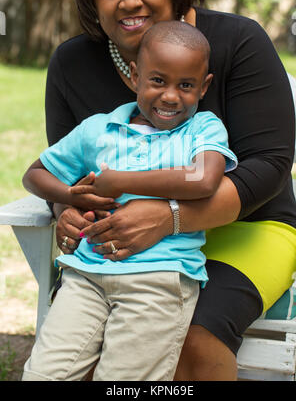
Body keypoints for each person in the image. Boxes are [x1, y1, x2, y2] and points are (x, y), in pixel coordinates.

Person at [40, 0, 296, 381]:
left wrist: (170, 217)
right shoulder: (72, 63)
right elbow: (67, 168)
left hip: (248, 224)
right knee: (81, 347)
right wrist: (67, 208)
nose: (128, 2)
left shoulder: (238, 40)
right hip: (118, 236)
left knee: (192, 340)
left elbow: (268, 167)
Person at [22, 21, 238, 381]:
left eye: (185, 85)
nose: (171, 96)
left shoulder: (203, 128)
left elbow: (203, 178)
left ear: (204, 86)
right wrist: (70, 195)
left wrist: (119, 181)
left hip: (159, 281)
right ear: (134, 75)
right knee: (43, 374)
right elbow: (35, 174)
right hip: (86, 276)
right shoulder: (97, 129)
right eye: (158, 81)